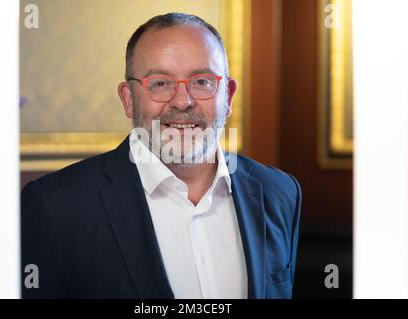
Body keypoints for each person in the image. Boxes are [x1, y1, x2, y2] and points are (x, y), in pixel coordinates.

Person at [21, 12, 301, 299]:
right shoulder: (55, 206)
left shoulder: (280, 193)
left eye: (202, 81)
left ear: (227, 96)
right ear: (129, 99)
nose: (182, 101)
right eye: (160, 83)